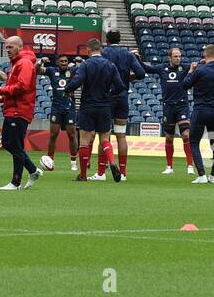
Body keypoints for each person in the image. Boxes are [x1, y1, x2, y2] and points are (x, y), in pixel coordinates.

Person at [64, 38, 125, 183]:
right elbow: (120, 86)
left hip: (88, 106)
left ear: (88, 50)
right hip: (105, 106)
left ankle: (83, 175)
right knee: (104, 139)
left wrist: (67, 90)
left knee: (84, 142)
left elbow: (77, 81)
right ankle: (111, 162)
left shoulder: (86, 65)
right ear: (101, 50)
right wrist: (110, 93)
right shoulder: (110, 65)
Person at [0, 35, 43, 190]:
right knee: (15, 145)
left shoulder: (24, 63)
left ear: (20, 46)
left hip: (19, 110)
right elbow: (15, 86)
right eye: (6, 47)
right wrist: (2, 98)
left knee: (10, 143)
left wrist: (2, 90)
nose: (7, 50)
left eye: (10, 47)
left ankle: (29, 173)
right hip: (14, 108)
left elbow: (22, 86)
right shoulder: (16, 63)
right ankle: (20, 179)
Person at [100, 30, 145, 180]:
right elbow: (141, 73)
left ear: (107, 40)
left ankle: (100, 173)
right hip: (123, 97)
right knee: (121, 135)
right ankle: (124, 172)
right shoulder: (128, 54)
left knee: (104, 135)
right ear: (119, 40)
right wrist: (127, 78)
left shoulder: (104, 52)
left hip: (107, 97)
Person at [142, 48, 194, 175]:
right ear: (169, 57)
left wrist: (202, 63)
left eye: (179, 56)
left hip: (182, 106)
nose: (178, 59)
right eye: (175, 56)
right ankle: (169, 167)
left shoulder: (185, 68)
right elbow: (147, 69)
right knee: (169, 138)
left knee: (186, 135)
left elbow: (198, 68)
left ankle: (190, 166)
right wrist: (137, 59)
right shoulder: (162, 68)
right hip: (168, 107)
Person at [183, 44, 214, 184]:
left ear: (204, 54)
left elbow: (185, 85)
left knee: (194, 142)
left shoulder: (200, 71)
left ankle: (201, 174)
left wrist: (191, 70)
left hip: (200, 110)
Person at [39, 53, 79, 173]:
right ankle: (50, 160)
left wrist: (81, 61)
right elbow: (37, 70)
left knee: (72, 135)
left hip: (70, 107)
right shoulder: (51, 71)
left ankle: (73, 162)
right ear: (57, 62)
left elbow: (86, 68)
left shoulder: (73, 70)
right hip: (56, 107)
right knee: (53, 134)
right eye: (61, 61)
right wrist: (40, 61)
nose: (64, 63)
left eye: (66, 61)